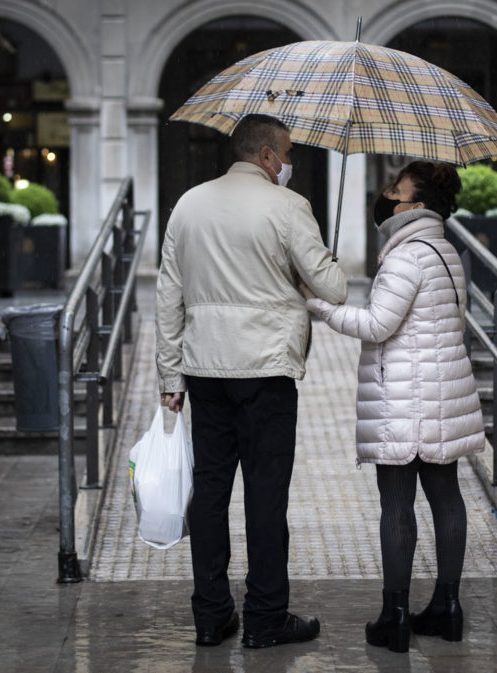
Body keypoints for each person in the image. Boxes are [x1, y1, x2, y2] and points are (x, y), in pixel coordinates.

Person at [155, 113, 347, 649]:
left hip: (204, 370)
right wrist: (317, 259)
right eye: (287, 154)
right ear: (265, 155)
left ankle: (211, 615)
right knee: (266, 496)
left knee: (210, 493)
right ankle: (264, 617)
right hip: (265, 370)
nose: (290, 164)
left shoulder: (188, 204)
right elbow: (334, 287)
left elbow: (168, 294)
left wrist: (170, 374)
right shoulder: (289, 207)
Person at [301, 161, 485, 653]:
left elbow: (379, 324)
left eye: (395, 192)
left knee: (397, 504)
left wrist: (319, 306)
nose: (385, 197)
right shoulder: (445, 250)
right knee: (446, 497)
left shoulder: (407, 257)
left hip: (408, 400)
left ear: (417, 207)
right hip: (441, 396)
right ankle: (447, 607)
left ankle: (395, 615)